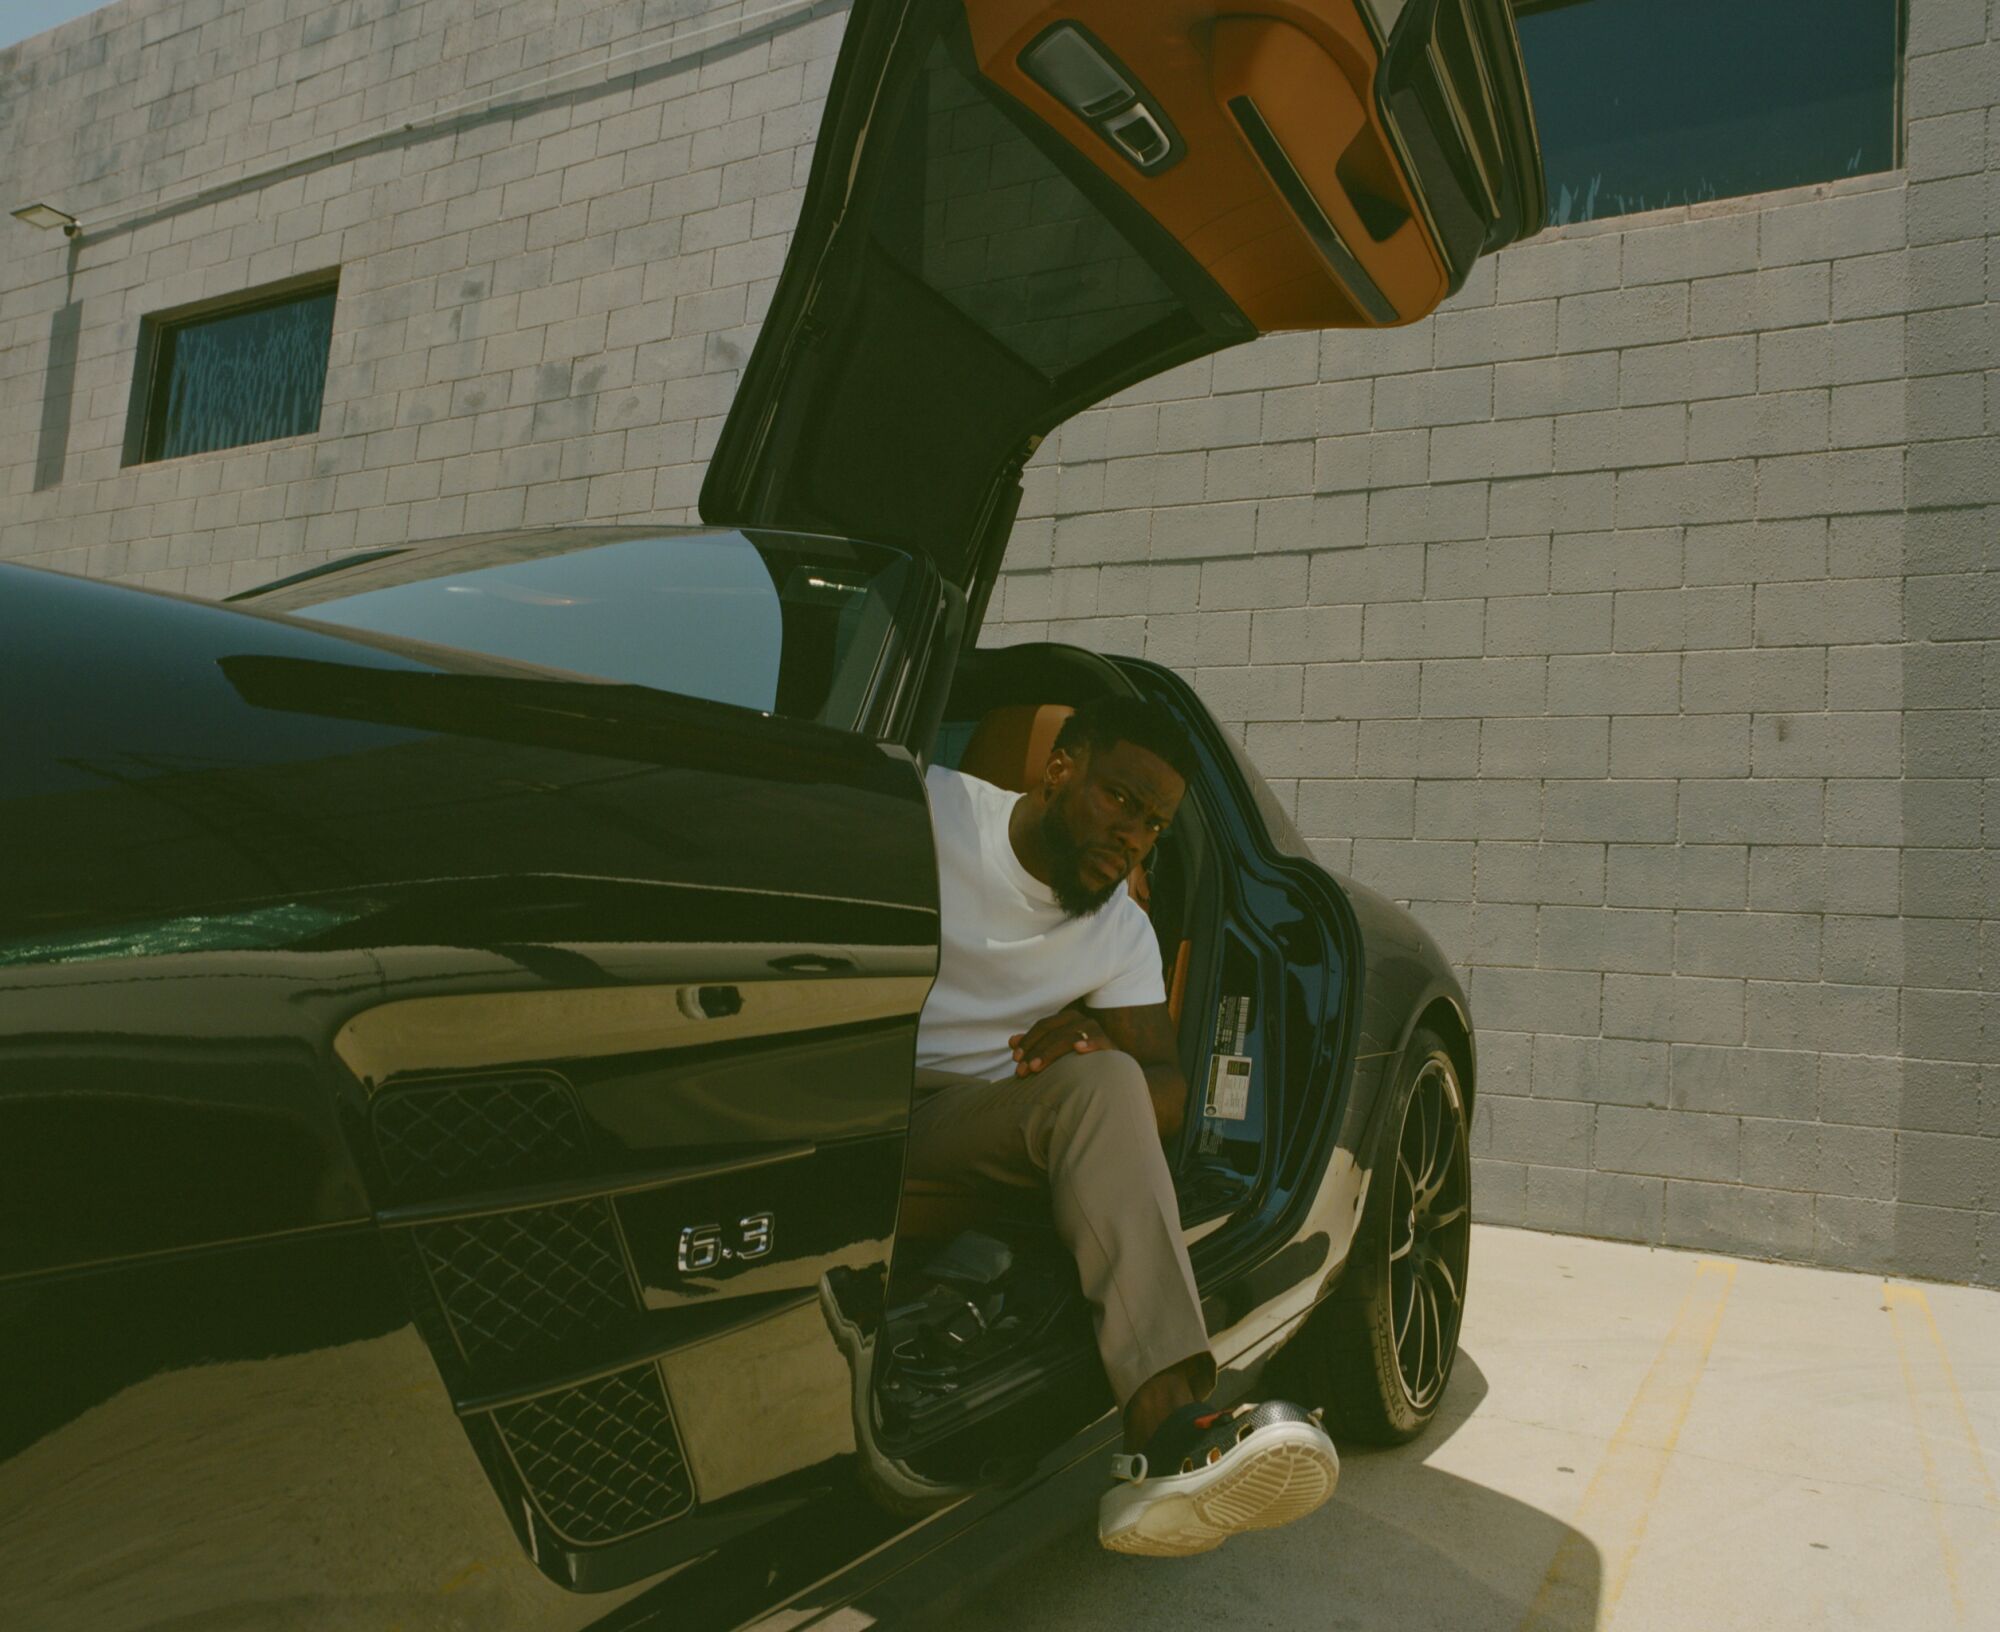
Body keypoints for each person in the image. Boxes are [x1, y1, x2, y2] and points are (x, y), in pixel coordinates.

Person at [908, 693, 1339, 1557]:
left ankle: (1169, 1440)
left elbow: (1168, 1092)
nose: (1133, 838)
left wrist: (1100, 1038)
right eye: (1120, 801)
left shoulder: (1119, 929)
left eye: (1154, 826)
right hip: (845, 1083)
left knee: (1108, 1080)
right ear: (1060, 767)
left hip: (964, 1117)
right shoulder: (933, 811)